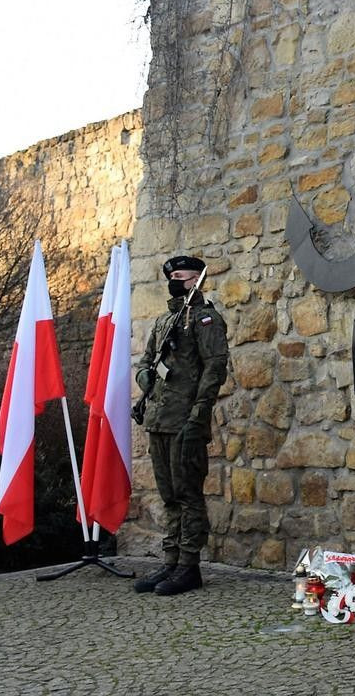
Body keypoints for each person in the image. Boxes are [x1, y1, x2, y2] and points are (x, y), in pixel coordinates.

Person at [132, 255, 228, 596]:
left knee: (188, 495)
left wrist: (198, 414)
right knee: (169, 496)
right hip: (159, 419)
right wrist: (146, 378)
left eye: (181, 274)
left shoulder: (205, 320)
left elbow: (214, 369)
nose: (175, 278)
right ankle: (170, 560)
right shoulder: (164, 320)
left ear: (196, 279)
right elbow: (146, 361)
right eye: (171, 275)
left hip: (186, 421)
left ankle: (189, 565)